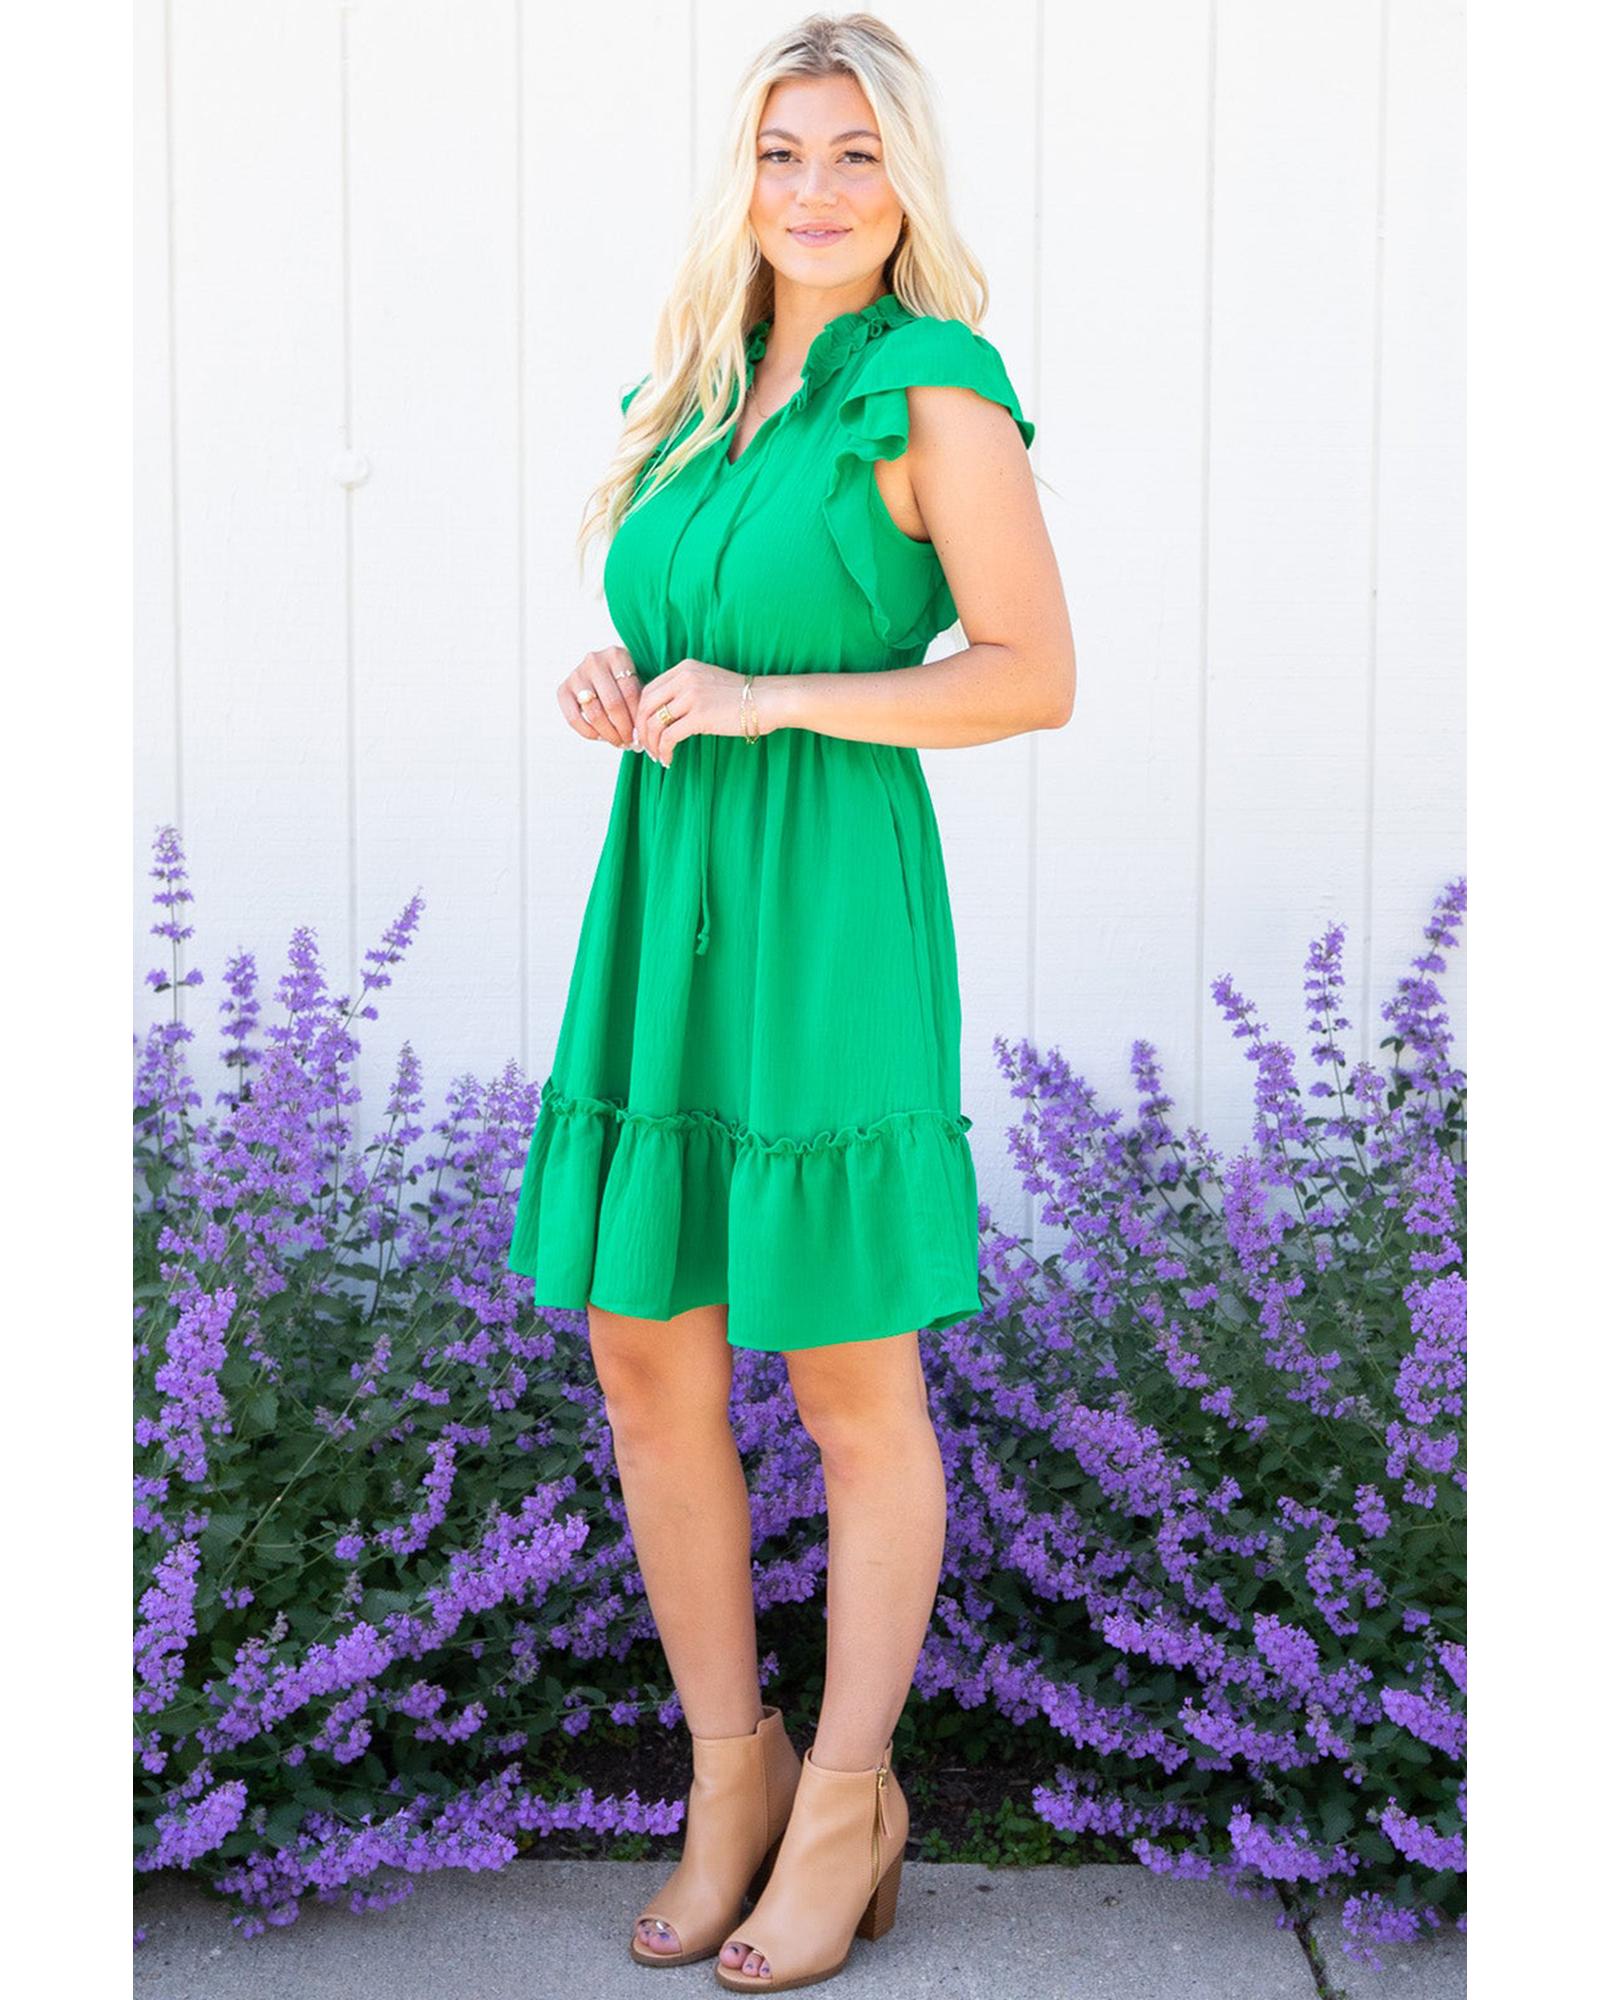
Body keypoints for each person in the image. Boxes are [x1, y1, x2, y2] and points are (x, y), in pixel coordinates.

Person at [506, 12, 1074, 1990]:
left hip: (828, 900)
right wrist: (626, 672)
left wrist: (772, 698)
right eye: (779, 152)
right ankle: (729, 1774)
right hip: (667, 889)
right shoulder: (692, 383)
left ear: (906, 179)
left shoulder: (933, 388)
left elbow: (1028, 673)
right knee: (641, 1346)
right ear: (738, 178)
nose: (814, 189)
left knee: (845, 1374)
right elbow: (691, 621)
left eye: (852, 153)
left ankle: (848, 1802)